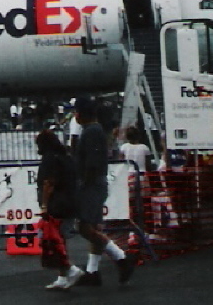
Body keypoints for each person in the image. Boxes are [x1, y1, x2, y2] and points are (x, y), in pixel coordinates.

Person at [72, 97, 136, 287]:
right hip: (96, 183)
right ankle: (93, 271)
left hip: (92, 185)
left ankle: (122, 259)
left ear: (80, 114)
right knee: (95, 227)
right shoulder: (94, 130)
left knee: (84, 227)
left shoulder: (91, 132)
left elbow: (91, 163)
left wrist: (83, 184)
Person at [35, 129, 84, 290]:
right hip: (70, 202)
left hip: (58, 204)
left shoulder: (49, 159)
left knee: (55, 240)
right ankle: (63, 275)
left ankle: (70, 269)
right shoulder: (65, 157)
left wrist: (44, 205)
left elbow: (49, 183)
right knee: (60, 239)